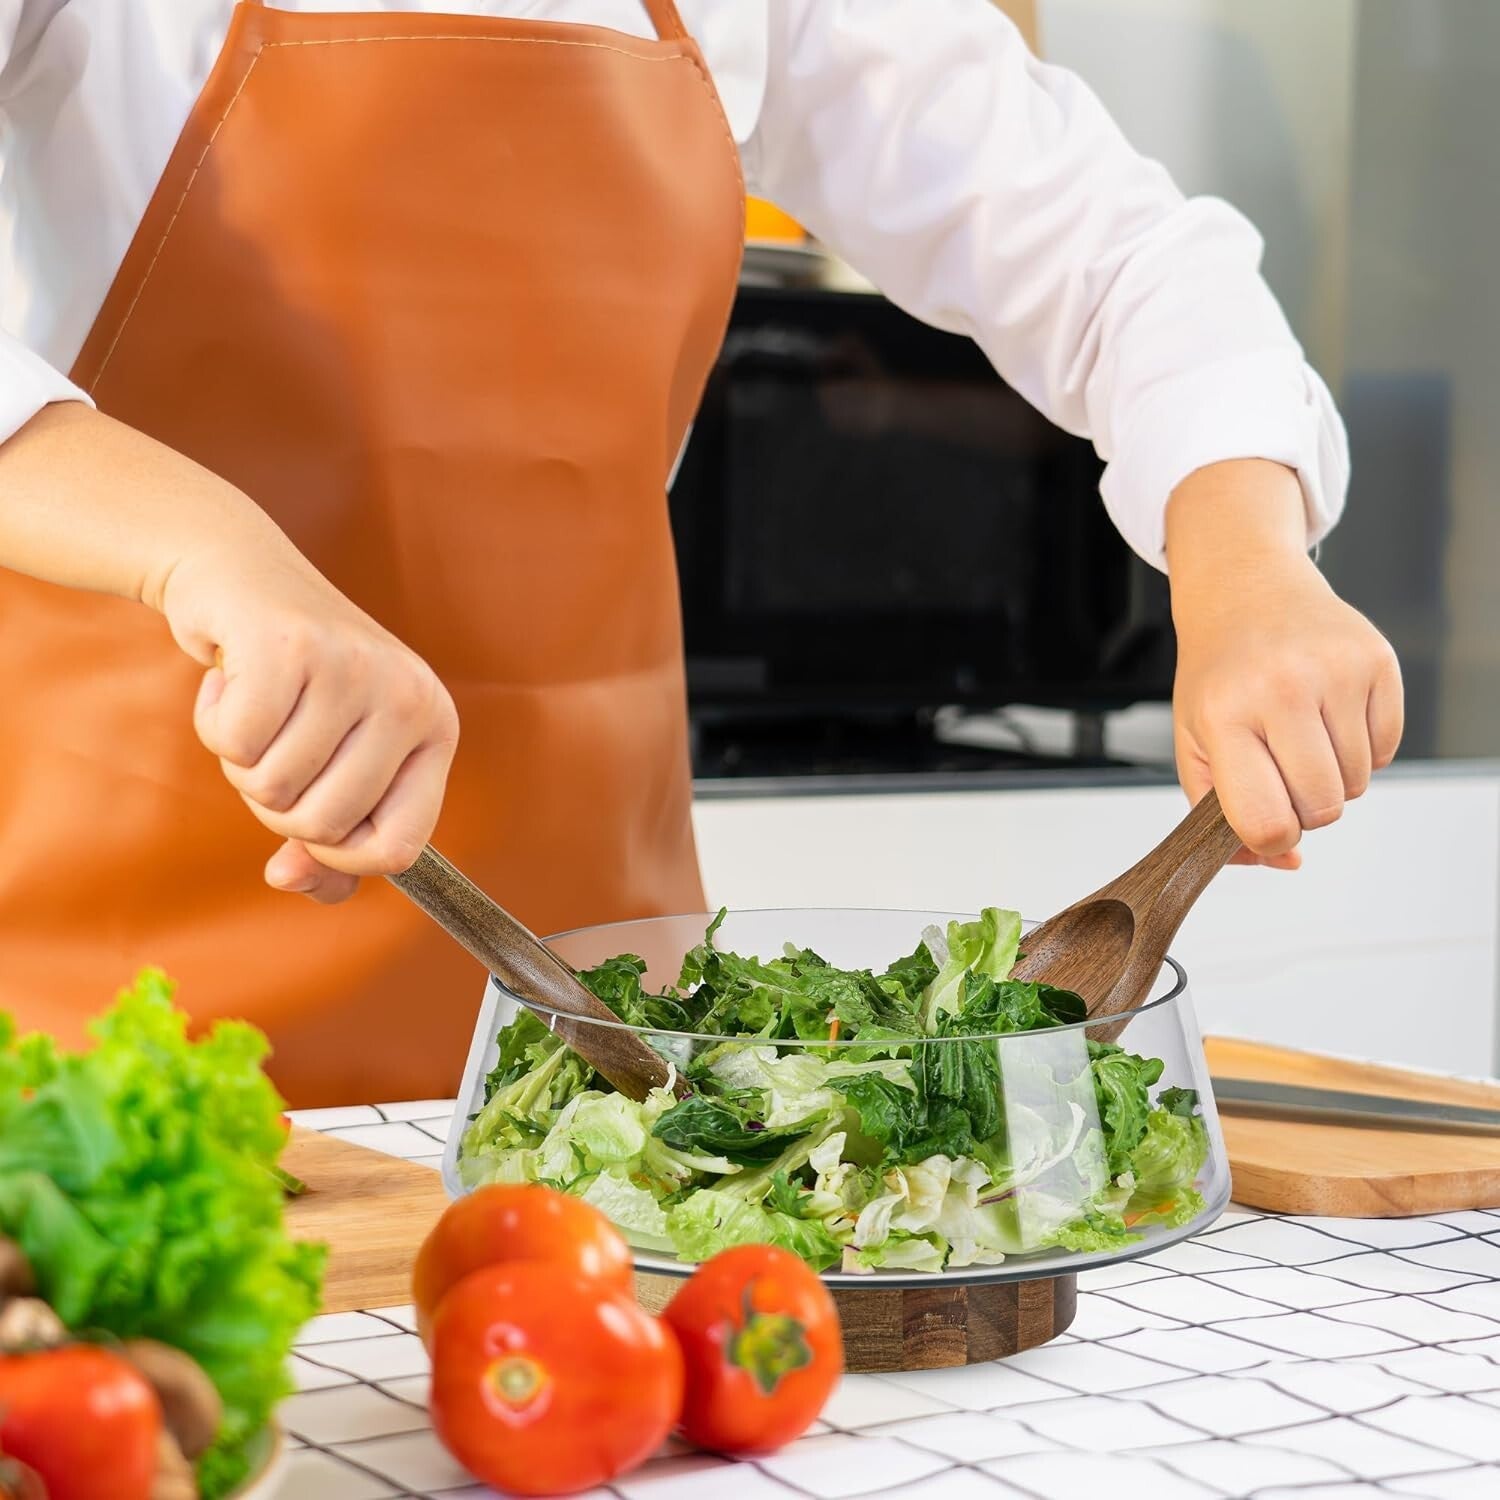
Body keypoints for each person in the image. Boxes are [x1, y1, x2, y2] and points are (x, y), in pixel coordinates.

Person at [0, 0, 1401, 1106]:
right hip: (84, 1028)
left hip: (598, 1049)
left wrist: (1248, 565)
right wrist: (208, 549)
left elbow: (1121, 257)